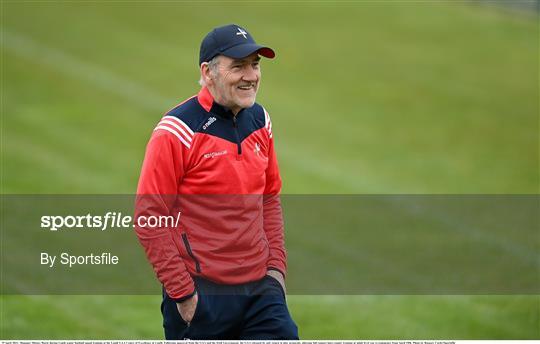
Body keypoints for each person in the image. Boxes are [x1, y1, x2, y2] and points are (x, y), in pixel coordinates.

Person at [134, 24, 298, 340]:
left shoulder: (260, 121)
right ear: (208, 72)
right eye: (238, 66)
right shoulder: (176, 132)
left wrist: (275, 272)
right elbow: (149, 217)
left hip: (261, 294)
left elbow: (269, 197)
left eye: (255, 64)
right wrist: (184, 295)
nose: (251, 75)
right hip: (202, 297)